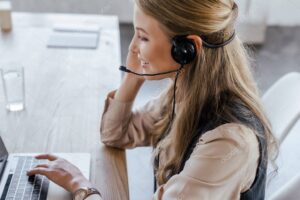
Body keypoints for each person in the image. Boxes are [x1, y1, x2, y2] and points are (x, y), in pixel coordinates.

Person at [27, 0, 278, 199]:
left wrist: (82, 187)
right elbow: (116, 133)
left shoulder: (228, 142)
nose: (133, 47)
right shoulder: (185, 93)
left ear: (186, 49)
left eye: (143, 37)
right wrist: (133, 76)